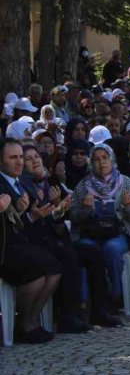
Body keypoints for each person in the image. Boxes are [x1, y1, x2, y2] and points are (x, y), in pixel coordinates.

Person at [20, 144, 123, 330]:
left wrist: (59, 209)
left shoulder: (51, 183)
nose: (35, 160)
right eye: (28, 158)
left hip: (53, 238)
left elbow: (62, 221)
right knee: (69, 256)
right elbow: (32, 222)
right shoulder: (22, 186)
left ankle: (99, 311)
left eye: (36, 156)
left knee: (93, 253)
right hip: (34, 243)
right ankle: (68, 315)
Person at [0, 139, 63, 343]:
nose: (19, 162)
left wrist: (31, 215)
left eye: (21, 157)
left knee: (55, 267)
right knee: (37, 271)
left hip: (22, 243)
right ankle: (25, 323)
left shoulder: (21, 182)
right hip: (5, 249)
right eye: (13, 158)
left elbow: (23, 222)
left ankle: (31, 320)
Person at [69, 143, 130, 307]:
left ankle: (114, 297)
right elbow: (74, 218)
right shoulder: (83, 186)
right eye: (96, 159)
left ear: (112, 160)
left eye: (105, 158)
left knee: (111, 248)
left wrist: (129, 207)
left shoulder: (126, 183)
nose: (101, 162)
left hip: (119, 233)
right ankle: (84, 302)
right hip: (91, 234)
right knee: (86, 250)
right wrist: (85, 209)